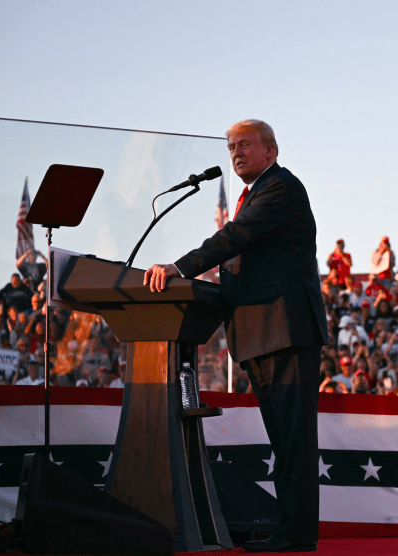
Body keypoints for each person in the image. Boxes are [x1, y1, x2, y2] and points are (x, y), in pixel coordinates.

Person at [143, 119, 328, 553]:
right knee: (283, 439)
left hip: (284, 329)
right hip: (263, 332)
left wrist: (179, 267)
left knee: (293, 439)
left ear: (271, 151)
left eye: (245, 144)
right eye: (231, 147)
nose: (236, 153)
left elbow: (237, 236)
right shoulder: (257, 193)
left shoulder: (280, 188)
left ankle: (297, 534)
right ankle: (289, 528)